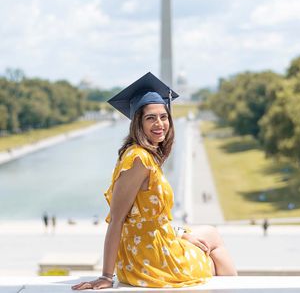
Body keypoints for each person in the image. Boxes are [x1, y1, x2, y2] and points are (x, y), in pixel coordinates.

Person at [72, 72, 237, 291]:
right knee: (214, 249)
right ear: (137, 122)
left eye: (163, 116)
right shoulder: (138, 159)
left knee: (209, 234)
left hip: (151, 245)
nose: (160, 123)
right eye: (150, 118)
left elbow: (149, 215)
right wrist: (105, 276)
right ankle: (235, 287)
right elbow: (117, 219)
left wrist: (181, 234)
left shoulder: (144, 155)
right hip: (148, 260)